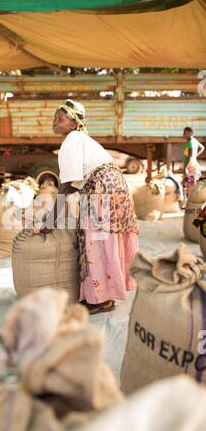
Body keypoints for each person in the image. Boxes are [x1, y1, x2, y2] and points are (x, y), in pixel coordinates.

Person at [40, 99, 139, 315]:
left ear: (74, 123)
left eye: (60, 118)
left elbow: (66, 187)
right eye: (55, 118)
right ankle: (106, 294)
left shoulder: (72, 140)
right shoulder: (81, 139)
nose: (55, 121)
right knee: (106, 240)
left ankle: (101, 299)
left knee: (95, 241)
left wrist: (49, 221)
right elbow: (74, 185)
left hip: (102, 189)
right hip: (116, 186)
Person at [182, 127, 205, 195]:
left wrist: (185, 168)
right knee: (192, 184)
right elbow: (202, 148)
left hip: (190, 166)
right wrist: (195, 156)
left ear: (190, 133)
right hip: (194, 164)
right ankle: (192, 200)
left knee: (188, 185)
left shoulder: (190, 143)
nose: (183, 135)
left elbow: (190, 157)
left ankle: (188, 201)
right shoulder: (194, 140)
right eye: (184, 133)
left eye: (185, 133)